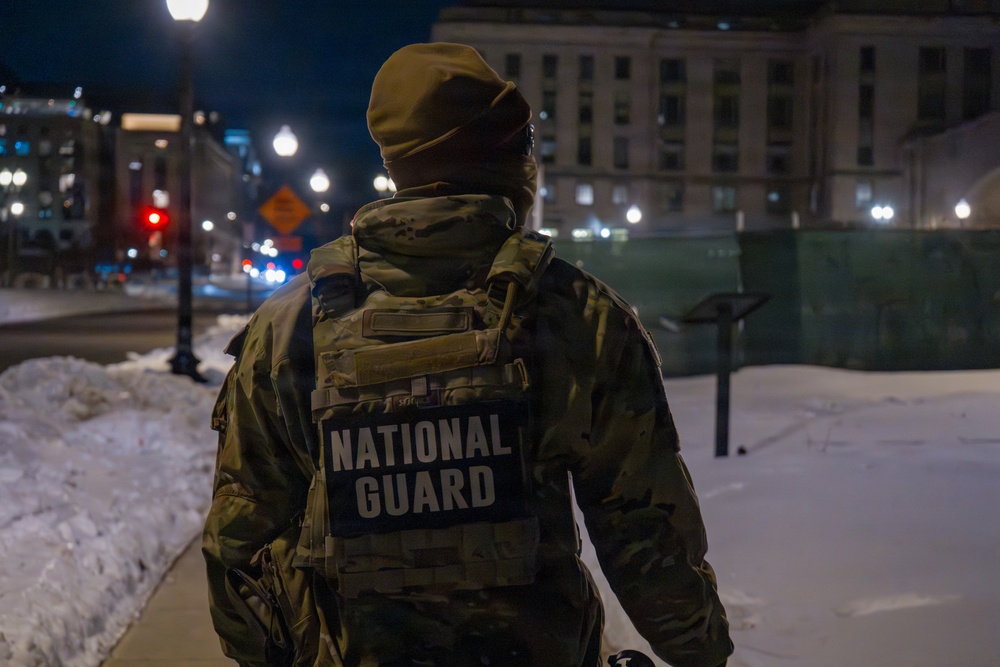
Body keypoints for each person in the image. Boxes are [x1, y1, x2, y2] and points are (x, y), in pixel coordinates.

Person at [203, 42, 733, 667]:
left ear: (397, 163)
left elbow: (236, 541)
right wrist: (703, 653)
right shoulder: (575, 314)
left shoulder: (291, 325)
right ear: (509, 156)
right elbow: (646, 535)